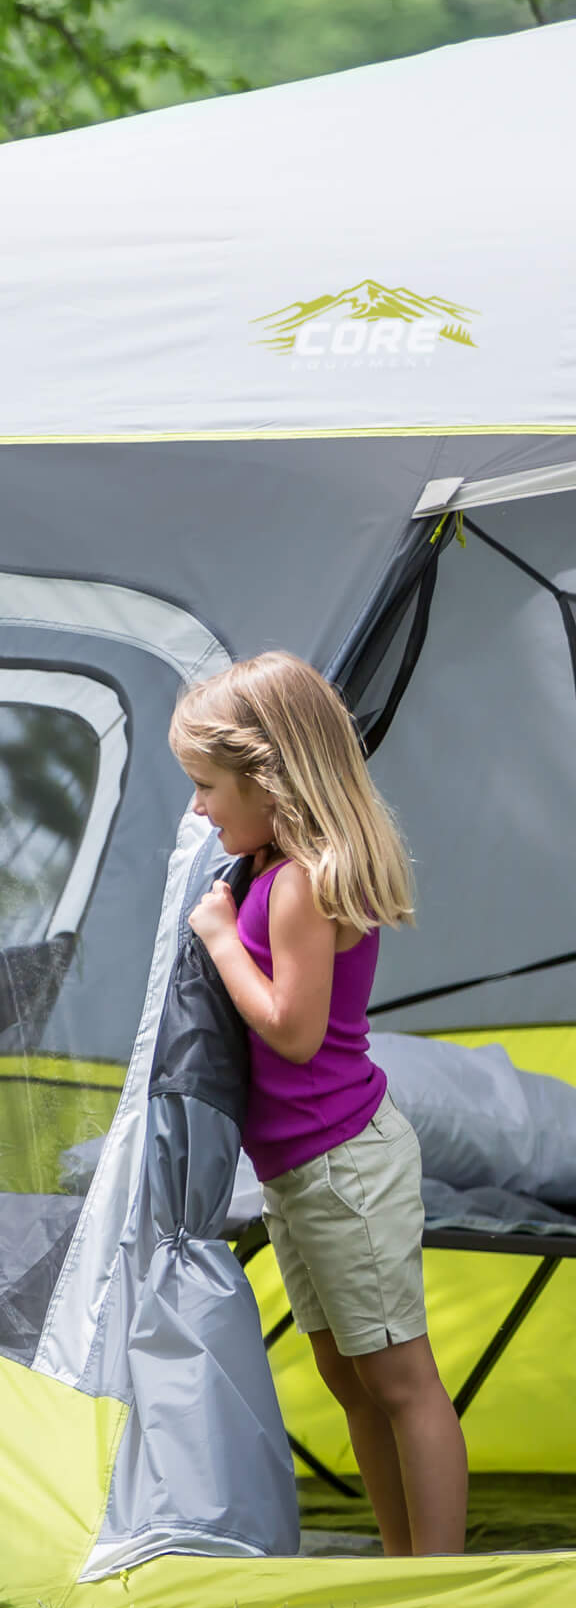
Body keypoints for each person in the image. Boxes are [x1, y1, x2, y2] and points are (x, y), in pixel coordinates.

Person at [171, 650, 466, 1556]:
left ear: (269, 777)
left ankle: (440, 1584)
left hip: (345, 1164)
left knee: (399, 1376)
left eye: (207, 786)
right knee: (347, 1374)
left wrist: (221, 938)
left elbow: (291, 1032)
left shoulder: (299, 882)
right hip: (303, 1171)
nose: (198, 807)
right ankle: (400, 1563)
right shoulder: (266, 868)